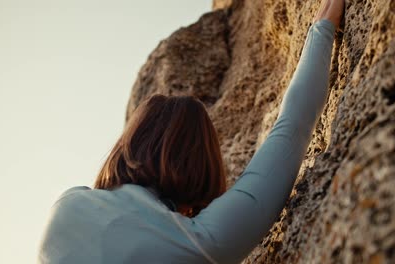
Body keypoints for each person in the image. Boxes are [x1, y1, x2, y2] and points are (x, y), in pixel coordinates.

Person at [38, 0, 345, 263]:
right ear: (200, 174)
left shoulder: (66, 207)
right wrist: (321, 30)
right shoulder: (200, 242)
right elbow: (291, 129)